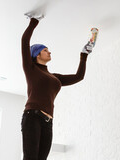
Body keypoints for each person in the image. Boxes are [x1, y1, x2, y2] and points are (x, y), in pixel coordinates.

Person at [20, 13, 95, 160]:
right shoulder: (31, 68)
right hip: (32, 116)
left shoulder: (55, 77)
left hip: (48, 121)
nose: (49, 52)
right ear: (37, 54)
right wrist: (34, 22)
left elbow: (79, 77)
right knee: (31, 157)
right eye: (45, 50)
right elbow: (24, 41)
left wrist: (84, 55)